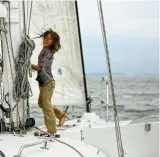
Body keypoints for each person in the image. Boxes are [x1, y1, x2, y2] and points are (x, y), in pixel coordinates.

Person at [31, 29, 67, 134]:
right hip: (43, 83)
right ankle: (61, 115)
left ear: (53, 41)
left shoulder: (47, 53)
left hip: (48, 83)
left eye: (49, 38)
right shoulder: (44, 50)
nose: (47, 40)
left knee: (46, 106)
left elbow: (39, 68)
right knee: (42, 103)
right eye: (45, 38)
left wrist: (27, 65)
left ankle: (51, 131)